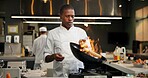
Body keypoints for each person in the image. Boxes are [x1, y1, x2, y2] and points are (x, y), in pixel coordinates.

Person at [44, 4, 90, 77]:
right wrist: (53, 56)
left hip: (79, 74)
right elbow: (46, 58)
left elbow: (89, 53)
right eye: (67, 16)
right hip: (61, 75)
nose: (70, 19)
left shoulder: (81, 32)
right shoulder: (52, 33)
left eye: (72, 16)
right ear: (61, 17)